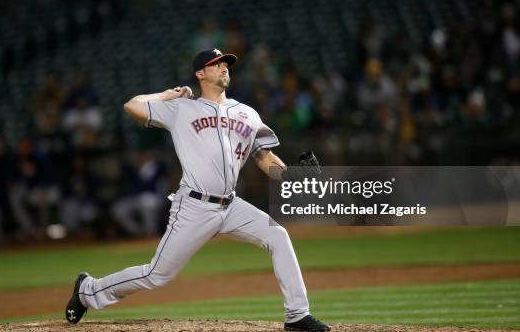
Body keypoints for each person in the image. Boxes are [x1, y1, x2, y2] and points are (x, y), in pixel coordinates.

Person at [64, 49, 330, 332]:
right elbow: (132, 106)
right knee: (157, 275)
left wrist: (290, 176)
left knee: (278, 235)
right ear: (200, 74)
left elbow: (264, 157)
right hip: (194, 206)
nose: (224, 67)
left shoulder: (247, 113)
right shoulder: (182, 109)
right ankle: (88, 290)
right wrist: (167, 95)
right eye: (216, 64)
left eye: (226, 63)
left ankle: (297, 315)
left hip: (231, 206)